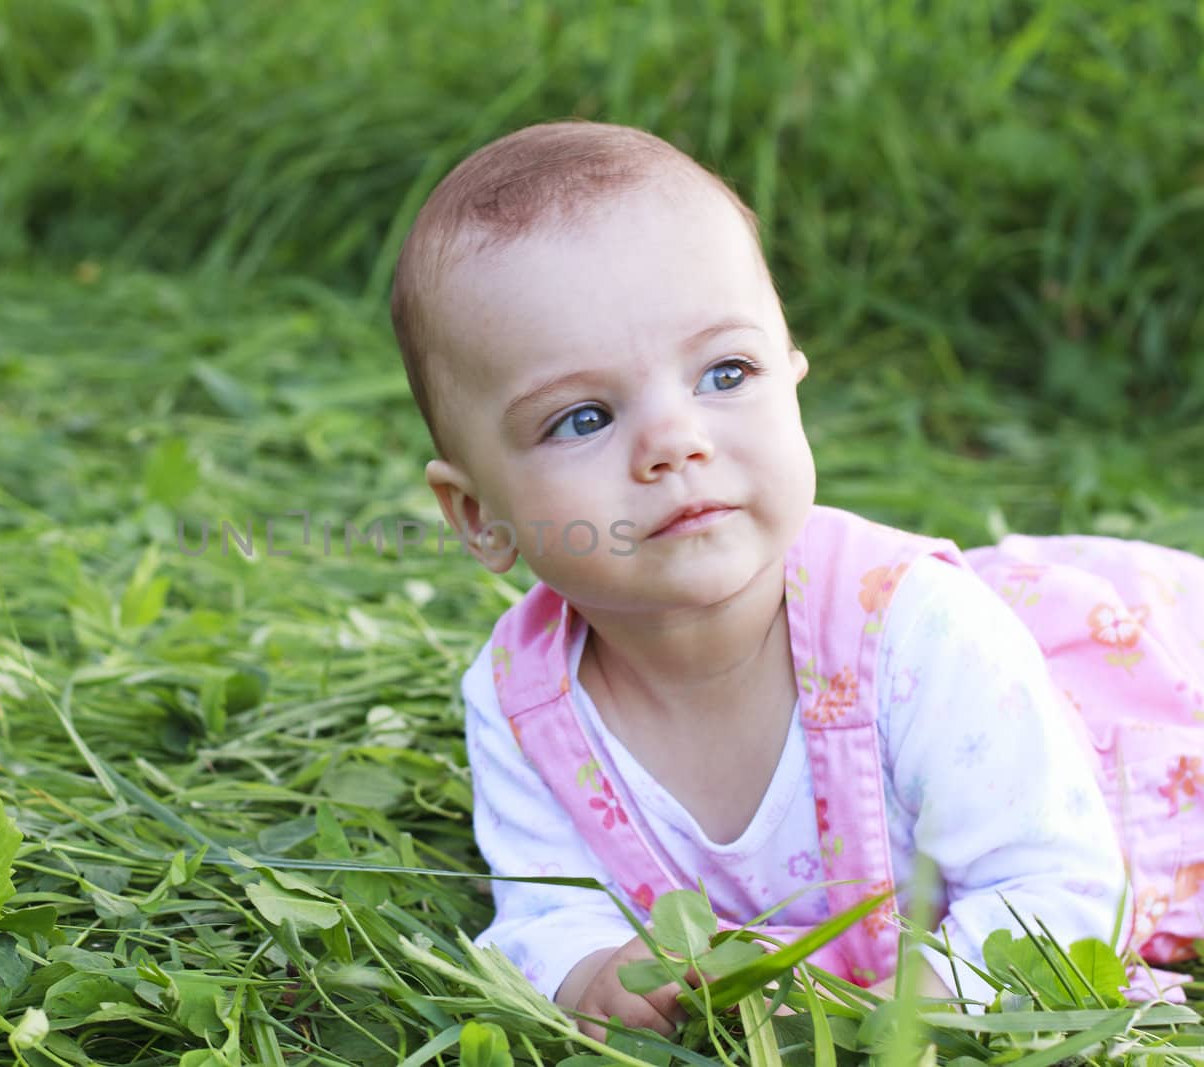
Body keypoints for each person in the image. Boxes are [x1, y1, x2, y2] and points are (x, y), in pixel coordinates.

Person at [387, 120, 1204, 1037]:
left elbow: (1060, 889)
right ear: (477, 517)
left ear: (792, 377)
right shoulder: (522, 700)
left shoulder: (923, 636)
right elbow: (543, 914)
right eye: (582, 418)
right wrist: (593, 974)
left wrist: (882, 1017)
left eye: (725, 372)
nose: (675, 441)